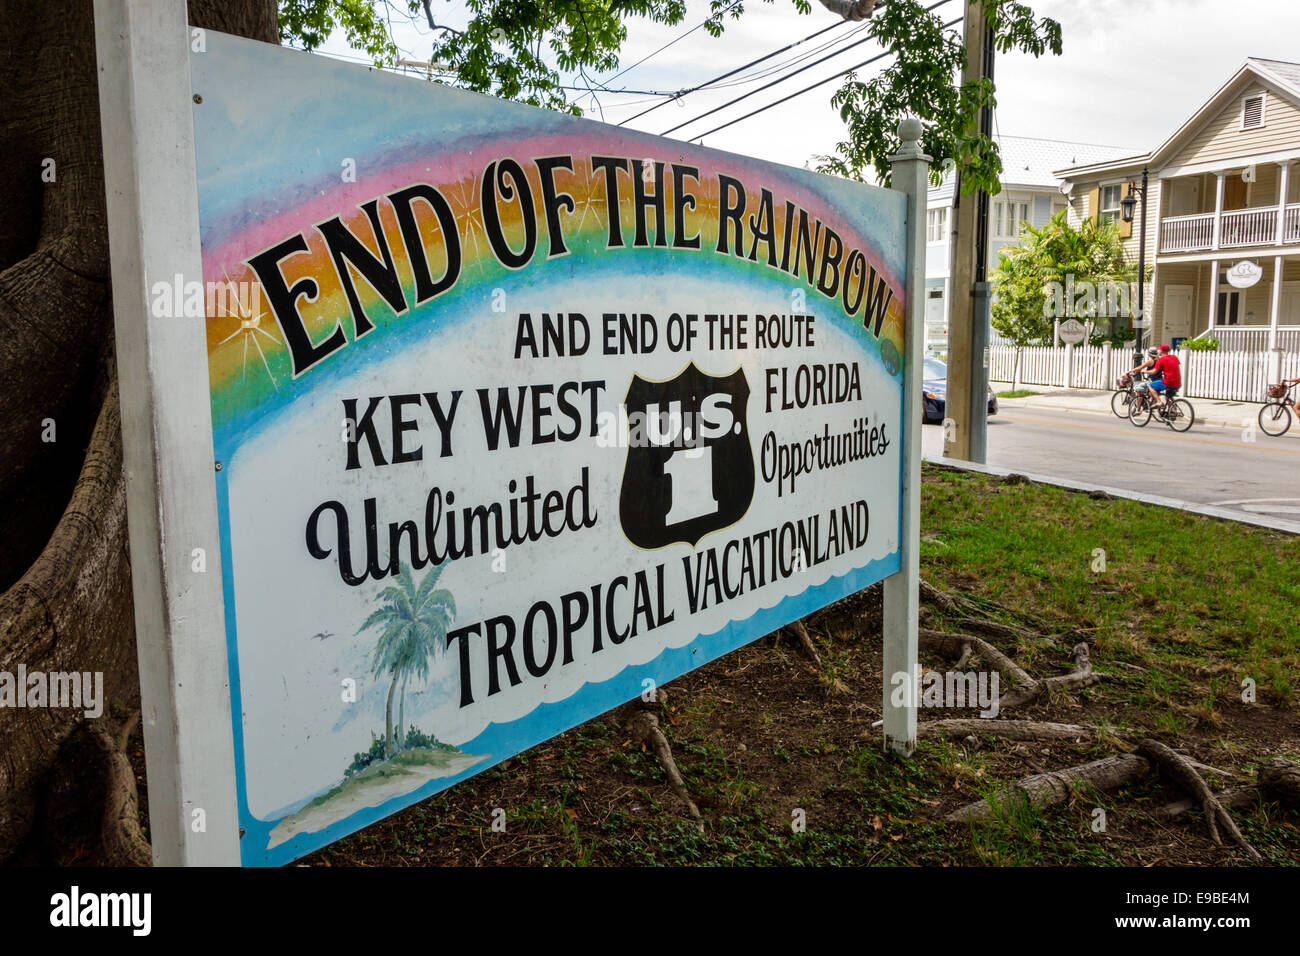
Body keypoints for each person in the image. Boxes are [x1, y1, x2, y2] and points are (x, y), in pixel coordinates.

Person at [1148, 344, 1182, 409]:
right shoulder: (1175, 357)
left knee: (1151, 385)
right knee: (1167, 397)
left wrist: (1144, 371)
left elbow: (1153, 372)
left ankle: (1159, 402)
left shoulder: (1161, 359)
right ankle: (1172, 411)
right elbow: (1177, 364)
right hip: (1178, 383)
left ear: (1161, 351)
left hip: (1169, 382)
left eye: (1159, 350)